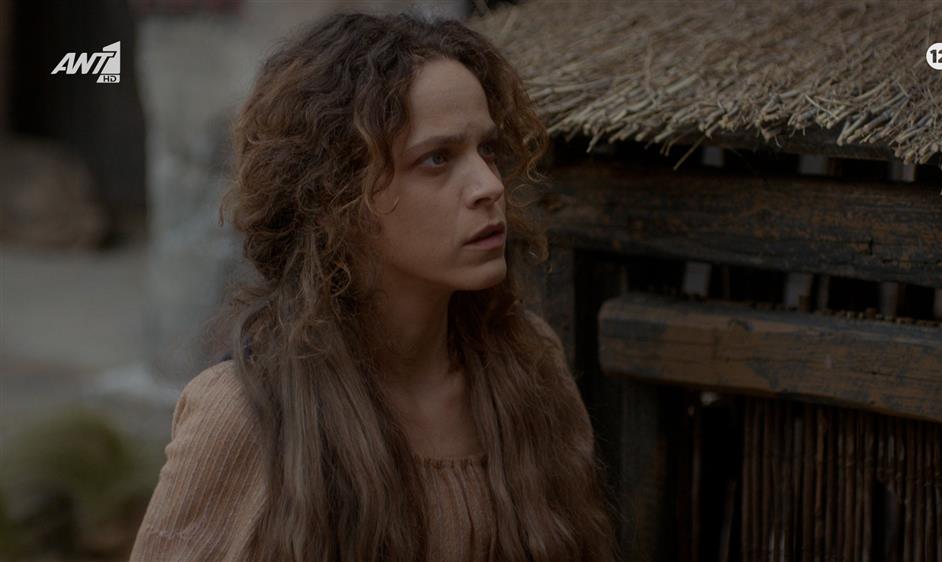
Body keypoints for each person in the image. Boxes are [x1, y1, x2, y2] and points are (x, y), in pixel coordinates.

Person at [129, 10, 617, 562]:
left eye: (487, 150)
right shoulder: (250, 414)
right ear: (338, 194)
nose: (489, 186)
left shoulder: (528, 366)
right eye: (437, 159)